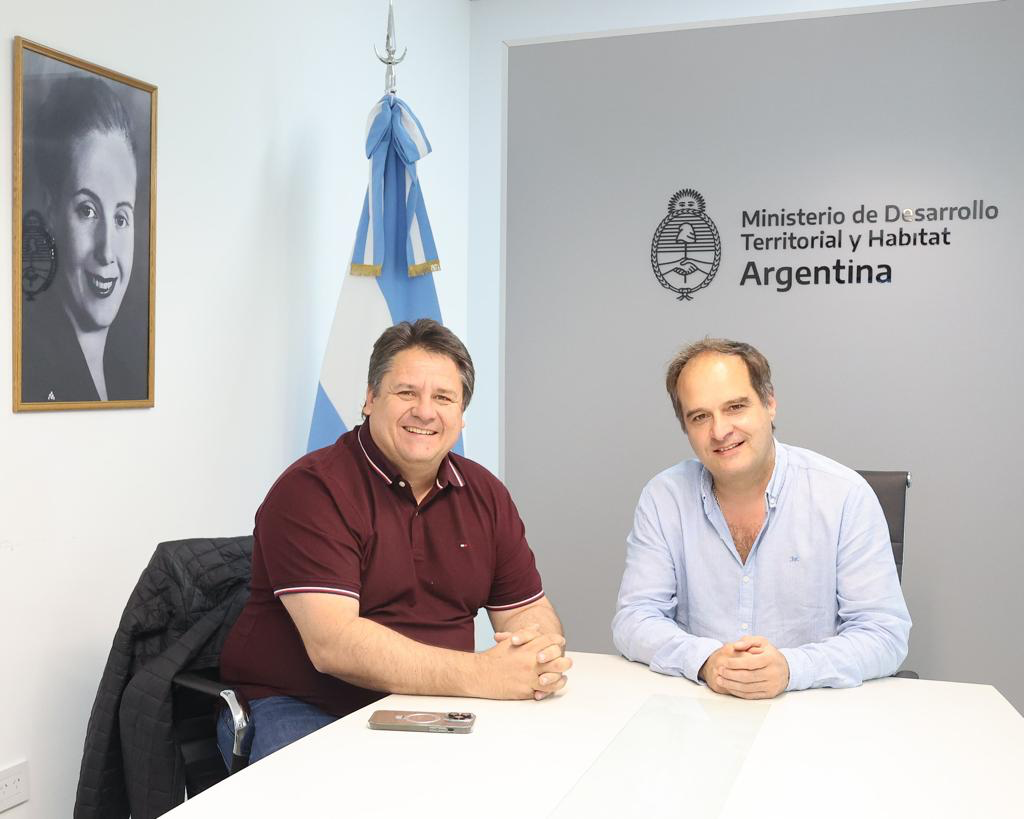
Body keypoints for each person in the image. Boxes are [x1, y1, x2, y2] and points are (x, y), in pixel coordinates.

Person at [219, 319, 571, 763]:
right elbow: (334, 645)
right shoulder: (312, 490)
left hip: (436, 700)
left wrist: (536, 657)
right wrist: (484, 674)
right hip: (308, 704)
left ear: (461, 416)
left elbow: (524, 610)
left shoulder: (486, 494)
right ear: (369, 400)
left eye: (443, 397)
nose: (425, 411)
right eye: (406, 392)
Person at [612, 338, 910, 699]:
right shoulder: (664, 498)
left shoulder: (845, 495)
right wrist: (706, 661)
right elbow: (635, 618)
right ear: (685, 427)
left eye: (735, 407)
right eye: (700, 416)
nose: (720, 431)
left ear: (770, 404)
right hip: (699, 712)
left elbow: (884, 634)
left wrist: (790, 668)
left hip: (814, 713)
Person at [22, 75, 144, 403]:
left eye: (121, 218)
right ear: (51, 211)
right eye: (87, 210)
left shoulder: (127, 377)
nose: (106, 251)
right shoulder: (33, 369)